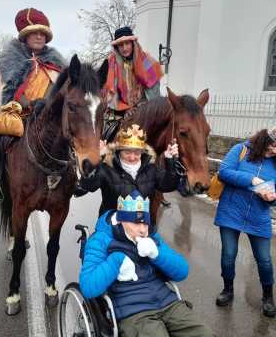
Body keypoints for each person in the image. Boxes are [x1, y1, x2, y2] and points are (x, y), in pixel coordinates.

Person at [79, 189, 213, 337]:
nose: (143, 230)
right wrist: (115, 261)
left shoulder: (151, 237)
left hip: (168, 302)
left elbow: (182, 272)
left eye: (145, 224)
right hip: (133, 310)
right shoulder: (101, 240)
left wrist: (157, 254)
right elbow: (88, 287)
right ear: (121, 219)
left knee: (204, 333)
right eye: (136, 223)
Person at [0, 7, 66, 202]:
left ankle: (77, 177)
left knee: (71, 139)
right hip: (19, 115)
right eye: (34, 33)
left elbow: (63, 92)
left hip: (48, 117)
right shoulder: (10, 63)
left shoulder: (56, 65)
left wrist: (48, 104)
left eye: (42, 33)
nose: (39, 37)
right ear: (25, 36)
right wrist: (28, 104)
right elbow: (6, 94)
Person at [214, 127, 276, 318]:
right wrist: (253, 179)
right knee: (228, 255)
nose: (275, 150)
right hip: (231, 211)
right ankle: (228, 290)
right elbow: (224, 172)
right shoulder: (241, 149)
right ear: (264, 139)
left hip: (259, 216)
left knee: (265, 260)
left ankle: (268, 297)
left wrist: (271, 198)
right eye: (273, 145)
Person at [79, 124, 179, 218]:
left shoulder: (151, 168)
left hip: (141, 226)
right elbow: (88, 185)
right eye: (127, 152)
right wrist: (95, 159)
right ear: (119, 151)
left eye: (137, 153)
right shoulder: (107, 167)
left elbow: (168, 185)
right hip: (111, 226)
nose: (132, 158)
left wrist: (170, 161)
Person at [102, 26, 163, 143]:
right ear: (117, 47)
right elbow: (110, 94)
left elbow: (154, 94)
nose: (124, 48)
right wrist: (125, 110)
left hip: (145, 109)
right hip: (120, 112)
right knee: (106, 135)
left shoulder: (147, 61)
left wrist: (138, 109)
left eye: (127, 44)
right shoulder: (111, 63)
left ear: (133, 43)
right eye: (121, 45)